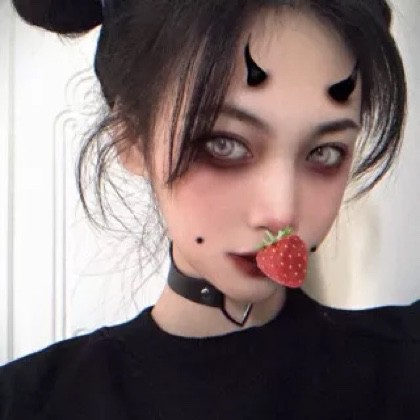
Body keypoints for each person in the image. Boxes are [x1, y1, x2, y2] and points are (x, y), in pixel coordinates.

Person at [1, 0, 419, 418]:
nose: (282, 213)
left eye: (325, 152)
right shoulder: (27, 402)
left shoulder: (402, 369)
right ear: (133, 140)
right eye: (225, 144)